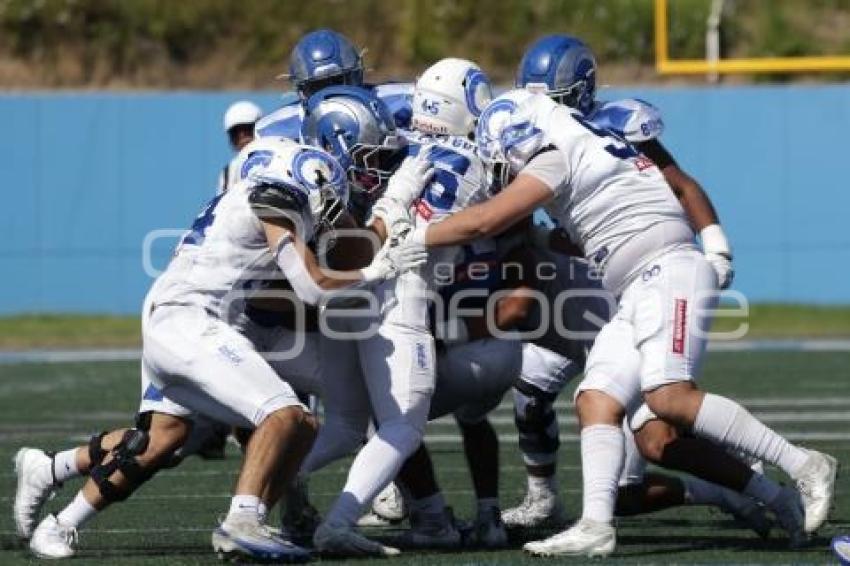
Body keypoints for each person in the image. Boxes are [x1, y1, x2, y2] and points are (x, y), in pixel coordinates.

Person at [382, 88, 837, 557]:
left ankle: (803, 463)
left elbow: (483, 221)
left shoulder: (553, 155)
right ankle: (599, 526)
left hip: (667, 268)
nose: (507, 169)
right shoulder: (581, 134)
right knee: (596, 398)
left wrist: (415, 235)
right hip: (634, 285)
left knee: (669, 396)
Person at [18, 137, 425, 561]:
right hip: (189, 320)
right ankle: (241, 522)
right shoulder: (275, 201)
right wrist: (378, 269)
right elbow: (310, 286)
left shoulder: (244, 196)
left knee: (163, 440)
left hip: (180, 317)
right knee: (283, 414)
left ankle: (59, 524)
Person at [505, 34, 738, 528]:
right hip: (583, 292)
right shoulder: (529, 138)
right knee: (528, 385)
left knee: (656, 439)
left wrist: (715, 245)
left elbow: (681, 184)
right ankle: (542, 496)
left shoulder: (617, 127)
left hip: (641, 292)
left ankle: (743, 480)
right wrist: (546, 245)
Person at [294, 59, 492, 557]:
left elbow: (368, 226)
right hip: (402, 299)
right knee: (401, 429)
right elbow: (492, 221)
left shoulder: (404, 150)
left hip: (353, 289)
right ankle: (338, 522)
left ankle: (260, 489)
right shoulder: (482, 159)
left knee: (344, 424)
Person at [255, 29, 413, 143]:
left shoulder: (404, 99)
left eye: (339, 81)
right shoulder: (274, 130)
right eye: (318, 87)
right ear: (301, 91)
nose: (333, 94)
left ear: (357, 75)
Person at [217, 100, 263, 194]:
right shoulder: (229, 172)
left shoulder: (277, 158)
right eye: (235, 132)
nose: (242, 136)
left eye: (247, 129)